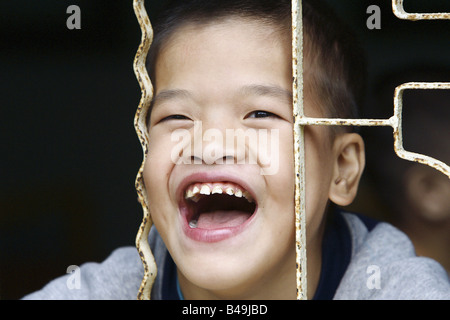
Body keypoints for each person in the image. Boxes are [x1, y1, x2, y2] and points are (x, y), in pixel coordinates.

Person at [23, 0, 450, 300]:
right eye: (176, 118)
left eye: (260, 114)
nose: (210, 145)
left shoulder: (396, 288)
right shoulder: (113, 288)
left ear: (342, 169)